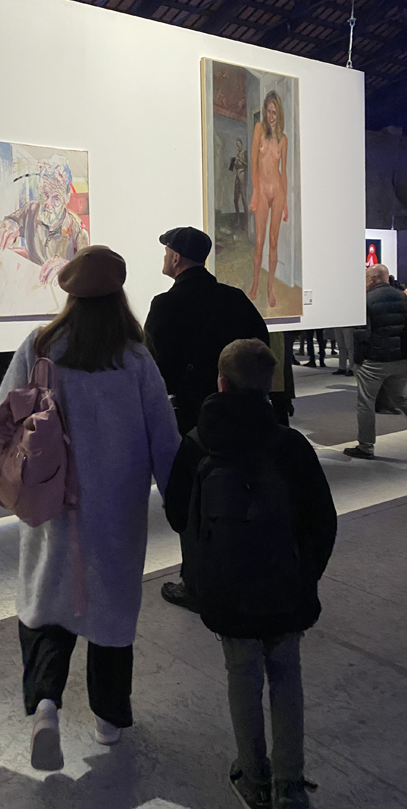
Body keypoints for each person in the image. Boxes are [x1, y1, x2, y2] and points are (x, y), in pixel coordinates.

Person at [0, 245, 179, 771]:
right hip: (117, 511)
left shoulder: (39, 346)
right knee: (112, 612)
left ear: (70, 294)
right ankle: (107, 719)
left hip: (52, 503)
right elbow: (164, 438)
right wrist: (181, 503)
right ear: (119, 295)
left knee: (46, 601)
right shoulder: (135, 358)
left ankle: (46, 706)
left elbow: (2, 413)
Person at [164, 339, 337, 809]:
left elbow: (178, 514)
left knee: (242, 676)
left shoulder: (198, 443)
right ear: (270, 384)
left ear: (220, 383)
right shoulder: (290, 445)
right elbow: (322, 519)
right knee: (287, 674)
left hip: (228, 589)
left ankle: (254, 778)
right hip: (285, 586)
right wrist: (306, 575)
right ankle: (290, 783)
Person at [145, 225, 269, 612]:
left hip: (192, 417)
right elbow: (259, 347)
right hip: (242, 411)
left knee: (193, 499)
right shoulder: (234, 299)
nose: (164, 257)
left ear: (176, 258)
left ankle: (196, 583)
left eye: (166, 252)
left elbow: (156, 367)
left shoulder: (165, 305)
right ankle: (243, 571)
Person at [344, 264, 407, 459]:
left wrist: (358, 360)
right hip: (400, 358)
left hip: (374, 360)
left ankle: (366, 446)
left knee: (366, 403)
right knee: (401, 399)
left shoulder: (366, 300)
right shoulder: (403, 297)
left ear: (372, 279)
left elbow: (362, 334)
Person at [0, 154, 89, 286]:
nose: (48, 204)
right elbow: (10, 221)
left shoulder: (77, 232)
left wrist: (69, 267)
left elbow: (88, 272)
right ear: (40, 190)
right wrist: (9, 224)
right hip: (29, 287)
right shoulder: (30, 211)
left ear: (66, 198)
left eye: (56, 199)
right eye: (45, 195)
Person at [249, 90, 288, 309]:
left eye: (274, 112)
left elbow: (284, 172)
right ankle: (255, 284)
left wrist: (286, 203)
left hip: (278, 192)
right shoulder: (259, 129)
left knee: (274, 242)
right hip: (263, 191)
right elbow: (254, 162)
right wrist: (256, 192)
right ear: (265, 111)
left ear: (278, 113)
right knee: (260, 241)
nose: (271, 116)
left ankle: (270, 287)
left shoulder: (283, 139)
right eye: (268, 111)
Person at [232, 137, 248, 226]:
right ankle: (238, 219)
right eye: (236, 145)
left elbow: (247, 165)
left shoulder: (244, 153)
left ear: (241, 144)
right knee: (235, 199)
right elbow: (233, 167)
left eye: (239, 145)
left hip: (242, 176)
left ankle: (246, 221)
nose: (238, 146)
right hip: (237, 177)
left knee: (244, 199)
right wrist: (234, 162)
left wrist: (240, 160)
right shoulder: (237, 154)